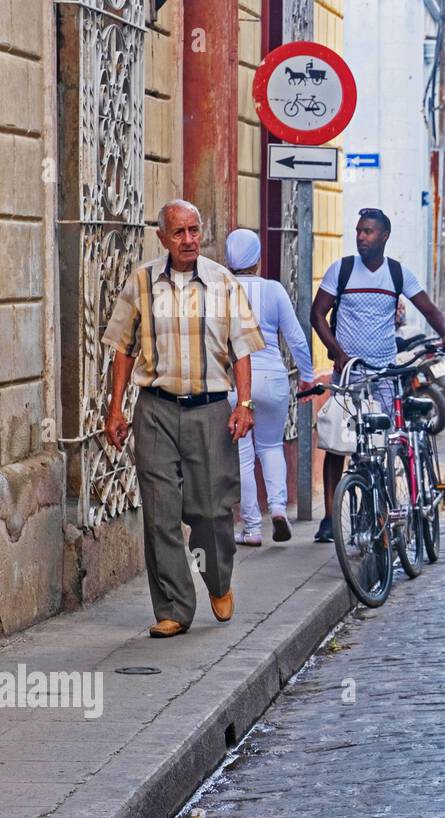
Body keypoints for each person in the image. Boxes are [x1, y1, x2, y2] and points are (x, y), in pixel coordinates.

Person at [101, 200, 265, 638]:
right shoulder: (142, 282)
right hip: (154, 408)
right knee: (160, 513)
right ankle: (174, 607)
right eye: (179, 232)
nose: (189, 239)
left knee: (211, 511)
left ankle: (218, 579)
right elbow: (122, 348)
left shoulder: (223, 282)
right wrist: (115, 408)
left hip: (210, 410)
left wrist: (244, 404)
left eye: (195, 230)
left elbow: (242, 347)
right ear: (162, 237)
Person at [309, 208, 445, 543]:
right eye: (359, 231)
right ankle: (331, 518)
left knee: (381, 448)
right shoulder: (342, 270)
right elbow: (317, 314)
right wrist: (337, 352)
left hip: (385, 375)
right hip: (349, 375)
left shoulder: (396, 274)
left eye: (369, 232)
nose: (362, 237)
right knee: (338, 445)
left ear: (384, 236)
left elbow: (429, 309)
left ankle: (376, 513)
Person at [223, 229, 315, 546]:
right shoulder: (273, 290)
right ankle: (277, 507)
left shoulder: (221, 289)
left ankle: (251, 529)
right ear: (259, 260)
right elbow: (296, 337)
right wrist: (307, 374)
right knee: (271, 446)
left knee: (243, 455)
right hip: (274, 377)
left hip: (236, 381)